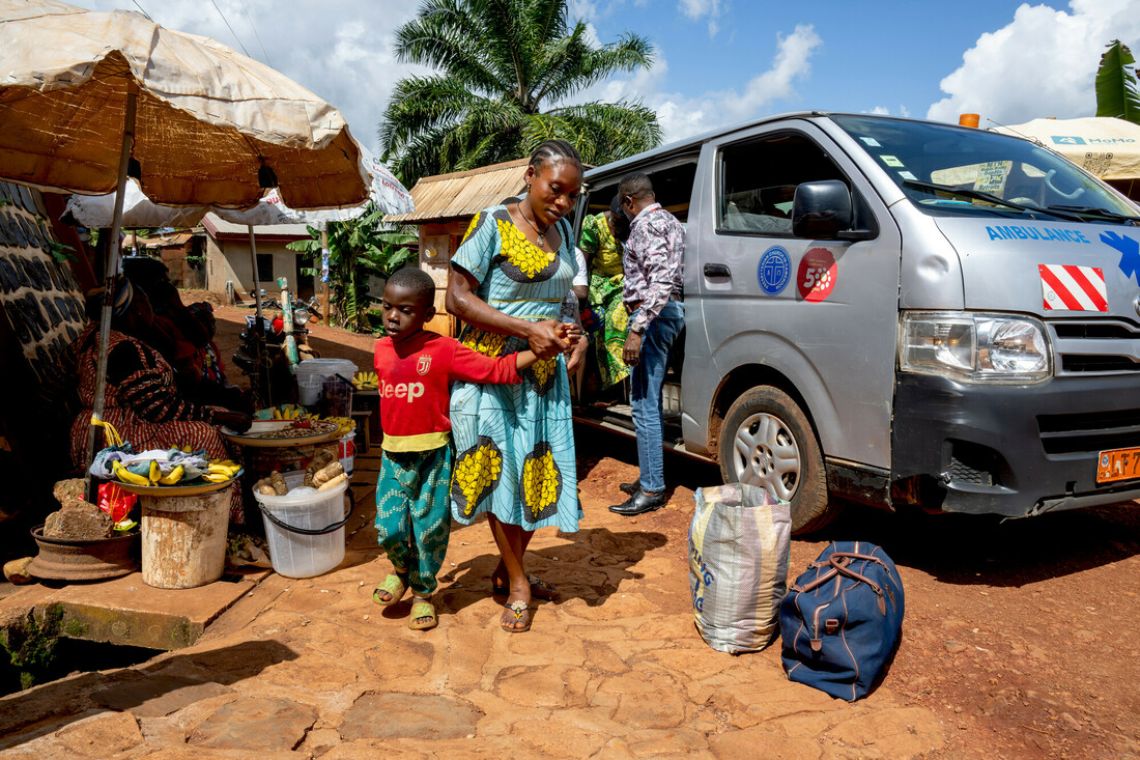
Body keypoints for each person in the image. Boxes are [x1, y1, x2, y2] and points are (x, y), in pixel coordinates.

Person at [446, 139, 587, 633]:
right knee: (500, 473)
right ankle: (520, 581)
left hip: (545, 378)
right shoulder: (491, 224)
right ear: (530, 176)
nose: (563, 203)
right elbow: (457, 299)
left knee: (533, 472)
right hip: (494, 371)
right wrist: (525, 329)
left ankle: (508, 572)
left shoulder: (564, 230)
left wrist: (577, 334)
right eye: (555, 190)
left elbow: (563, 298)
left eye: (572, 194)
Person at [369, 267, 557, 631]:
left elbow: (496, 370)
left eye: (405, 309)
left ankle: (423, 594)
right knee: (388, 528)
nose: (393, 316)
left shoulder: (443, 350)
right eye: (387, 306)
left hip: (433, 457)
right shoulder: (379, 349)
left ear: (427, 315)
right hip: (391, 455)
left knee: (429, 529)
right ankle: (400, 570)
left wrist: (538, 351)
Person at [70, 279, 252, 520]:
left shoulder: (93, 339)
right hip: (115, 434)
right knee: (205, 434)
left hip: (106, 425)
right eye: (146, 305)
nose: (151, 312)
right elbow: (157, 408)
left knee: (216, 417)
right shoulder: (123, 350)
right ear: (135, 311)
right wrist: (219, 415)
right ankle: (217, 517)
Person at [609, 172, 686, 517]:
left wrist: (637, 328)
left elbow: (661, 281)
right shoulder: (671, 221)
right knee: (647, 400)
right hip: (665, 313)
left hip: (652, 316)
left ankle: (652, 487)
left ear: (628, 202)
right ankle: (648, 478)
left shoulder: (644, 226)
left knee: (643, 403)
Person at [576, 194, 632, 391]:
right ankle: (611, 388)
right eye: (617, 221)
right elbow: (582, 261)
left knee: (618, 321)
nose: (618, 226)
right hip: (599, 288)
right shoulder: (594, 224)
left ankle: (622, 385)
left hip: (625, 285)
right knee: (600, 335)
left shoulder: (632, 227)